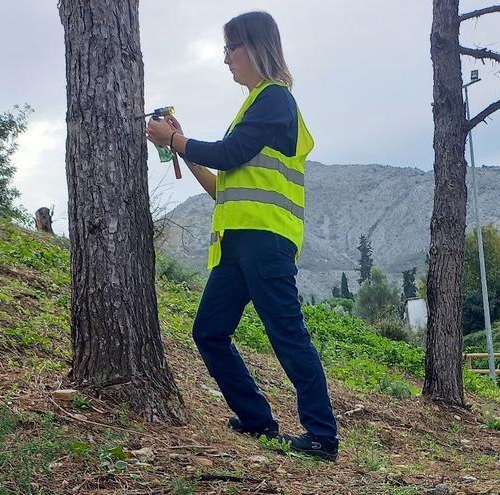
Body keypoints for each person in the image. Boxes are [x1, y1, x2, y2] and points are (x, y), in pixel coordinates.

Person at [145, 11, 338, 461]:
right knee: (209, 331)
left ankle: (322, 435)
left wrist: (176, 141)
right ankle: (256, 419)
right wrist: (183, 148)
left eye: (231, 48)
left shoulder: (275, 100)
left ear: (255, 47)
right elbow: (224, 186)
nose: (226, 58)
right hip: (237, 241)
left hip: (266, 240)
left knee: (287, 333)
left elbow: (230, 153)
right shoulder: (253, 106)